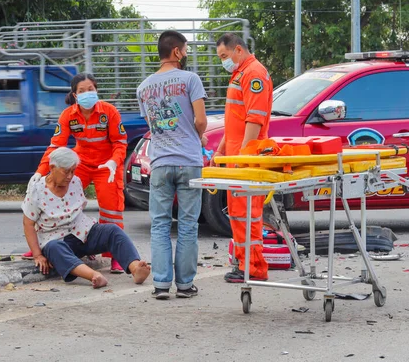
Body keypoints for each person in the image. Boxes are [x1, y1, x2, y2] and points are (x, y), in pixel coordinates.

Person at [24, 73, 128, 274]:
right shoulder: (68, 115)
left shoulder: (109, 112)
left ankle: (114, 255)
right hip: (80, 163)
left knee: (111, 208)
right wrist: (40, 172)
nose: (87, 93)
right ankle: (38, 246)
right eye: (82, 91)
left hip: (106, 165)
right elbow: (56, 146)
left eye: (91, 89)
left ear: (96, 90)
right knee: (53, 191)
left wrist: (114, 162)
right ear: (75, 94)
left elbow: (120, 142)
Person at [136, 30, 207, 300]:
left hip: (160, 162)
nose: (186, 54)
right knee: (188, 224)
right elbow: (200, 120)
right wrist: (196, 137)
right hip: (189, 160)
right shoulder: (190, 79)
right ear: (176, 51)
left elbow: (153, 126)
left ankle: (162, 285)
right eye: (185, 49)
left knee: (160, 224)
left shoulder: (143, 87)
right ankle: (186, 285)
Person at [22, 147, 150, 288]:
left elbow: (79, 212)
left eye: (73, 171)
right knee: (54, 248)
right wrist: (37, 255)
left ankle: (135, 268)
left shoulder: (75, 182)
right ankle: (93, 276)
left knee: (112, 230)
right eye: (66, 172)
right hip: (56, 240)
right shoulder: (37, 190)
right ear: (52, 168)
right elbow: (28, 224)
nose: (70, 176)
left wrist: (89, 245)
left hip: (83, 233)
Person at [213, 33, 273, 283]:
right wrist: (221, 151)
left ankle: (253, 267)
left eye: (225, 56)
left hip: (246, 160)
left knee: (247, 216)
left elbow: (255, 120)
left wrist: (242, 157)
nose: (223, 62)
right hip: (237, 158)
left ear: (238, 50)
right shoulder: (240, 74)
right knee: (238, 216)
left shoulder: (254, 74)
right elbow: (235, 122)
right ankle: (244, 263)